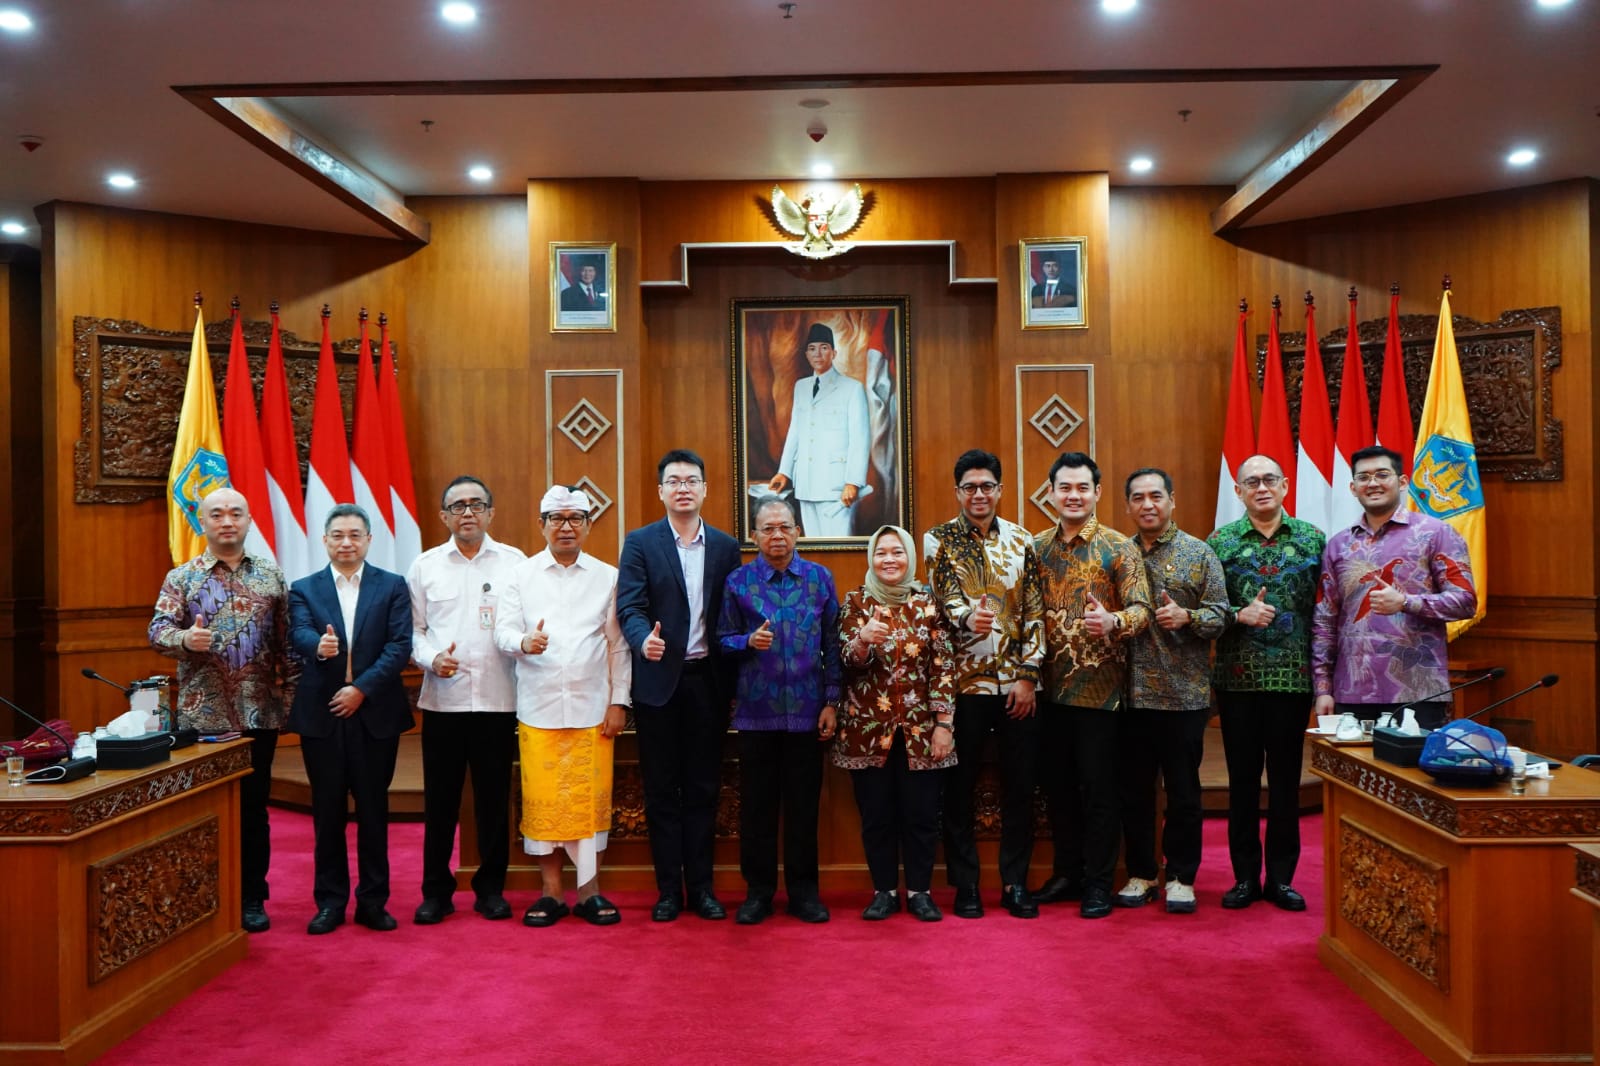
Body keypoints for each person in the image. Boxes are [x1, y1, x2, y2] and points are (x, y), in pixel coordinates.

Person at [150, 487, 297, 934]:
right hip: (203, 718)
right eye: (217, 514)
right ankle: (203, 898)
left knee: (253, 811)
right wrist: (184, 639)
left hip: (258, 715)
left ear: (249, 520)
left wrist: (290, 706)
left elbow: (288, 646)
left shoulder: (271, 576)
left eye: (236, 513)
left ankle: (251, 897)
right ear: (202, 522)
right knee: (203, 811)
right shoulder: (182, 578)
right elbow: (157, 630)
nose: (227, 521)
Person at [495, 486, 630, 928]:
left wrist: (619, 701)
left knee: (590, 803)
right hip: (540, 707)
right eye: (557, 518)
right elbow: (502, 631)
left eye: (575, 518)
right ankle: (551, 891)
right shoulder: (520, 575)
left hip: (593, 708)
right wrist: (523, 642)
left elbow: (618, 645)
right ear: (542, 525)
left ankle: (590, 890)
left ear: (588, 525)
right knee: (544, 803)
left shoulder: (608, 576)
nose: (566, 526)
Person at [616, 449, 742, 922]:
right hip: (658, 685)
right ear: (661, 491)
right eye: (674, 481)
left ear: (705, 489)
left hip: (707, 683)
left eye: (691, 480)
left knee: (704, 788)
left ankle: (703, 889)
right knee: (661, 790)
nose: (683, 488)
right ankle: (669, 890)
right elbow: (629, 606)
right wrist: (640, 641)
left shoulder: (726, 547)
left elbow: (731, 613)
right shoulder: (640, 543)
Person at [1030, 452, 1151, 920]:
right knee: (1057, 789)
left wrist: (1113, 621)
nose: (1074, 495)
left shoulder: (1119, 547)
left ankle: (1099, 882)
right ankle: (1068, 873)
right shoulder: (1036, 548)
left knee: (1099, 791)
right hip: (1047, 690)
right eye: (1065, 487)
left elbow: (1142, 611)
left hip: (1101, 693)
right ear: (1051, 493)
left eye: (1083, 487)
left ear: (1097, 492)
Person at [924, 449, 1044, 920]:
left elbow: (1034, 610)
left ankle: (1015, 884)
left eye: (987, 486)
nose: (979, 494)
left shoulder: (1022, 540)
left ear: (1000, 490)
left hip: (1017, 686)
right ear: (958, 492)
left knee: (1021, 786)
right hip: (963, 687)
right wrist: (966, 617)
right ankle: (966, 885)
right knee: (957, 789)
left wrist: (1028, 675)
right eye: (970, 487)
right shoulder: (938, 540)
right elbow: (944, 601)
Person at [289, 504, 414, 935]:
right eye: (338, 535)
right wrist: (317, 646)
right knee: (327, 813)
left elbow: (399, 645)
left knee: (374, 810)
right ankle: (330, 902)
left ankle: (373, 902)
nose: (346, 543)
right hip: (322, 714)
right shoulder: (304, 588)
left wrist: (360, 689)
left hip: (374, 712)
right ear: (325, 540)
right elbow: (298, 632)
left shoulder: (392, 585)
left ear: (368, 540)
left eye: (355, 535)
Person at [406, 476, 525, 925]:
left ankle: (491, 889)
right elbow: (413, 631)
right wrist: (431, 658)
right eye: (458, 506)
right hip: (444, 702)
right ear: (444, 516)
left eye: (477, 504)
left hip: (499, 700)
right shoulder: (425, 566)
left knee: (495, 801)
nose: (468, 512)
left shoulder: (515, 563)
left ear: (491, 512)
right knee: (440, 802)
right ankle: (436, 892)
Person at [1208, 455, 1324, 912]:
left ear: (1285, 485)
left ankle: (1280, 878)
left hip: (1293, 681)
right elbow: (1206, 612)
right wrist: (1239, 614)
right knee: (1241, 783)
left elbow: (1326, 612)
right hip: (1236, 681)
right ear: (1238, 491)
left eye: (1269, 480)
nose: (1261, 488)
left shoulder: (1313, 539)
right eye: (1251, 481)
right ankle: (1243, 878)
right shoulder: (1219, 543)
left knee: (1285, 783)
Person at [717, 496, 841, 925]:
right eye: (768, 528)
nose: (777, 535)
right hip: (756, 713)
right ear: (754, 536)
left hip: (808, 710)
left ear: (798, 532)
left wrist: (832, 700)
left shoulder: (819, 579)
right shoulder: (738, 581)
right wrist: (747, 641)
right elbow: (721, 639)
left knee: (804, 809)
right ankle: (759, 893)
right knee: (758, 808)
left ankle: (804, 894)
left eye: (785, 527)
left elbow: (833, 642)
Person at [1117, 468, 1227, 915]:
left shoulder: (1199, 553)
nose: (1148, 504)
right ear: (1128, 505)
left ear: (1171, 500)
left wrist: (1189, 617)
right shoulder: (1118, 553)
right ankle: (1142, 873)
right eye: (1138, 497)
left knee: (1183, 793)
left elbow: (1221, 615)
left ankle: (1182, 877)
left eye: (1156, 496)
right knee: (1135, 792)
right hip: (1128, 696)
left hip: (1183, 694)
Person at [836, 525, 956, 922]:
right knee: (877, 817)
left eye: (897, 552)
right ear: (871, 557)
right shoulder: (856, 602)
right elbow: (845, 662)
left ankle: (920, 892)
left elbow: (943, 666)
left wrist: (944, 724)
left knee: (921, 816)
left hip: (922, 731)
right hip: (867, 731)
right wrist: (863, 640)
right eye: (881, 552)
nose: (889, 559)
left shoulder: (928, 604)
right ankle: (884, 892)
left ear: (909, 557)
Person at [1313, 445, 1478, 729]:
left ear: (1402, 482)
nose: (1373, 483)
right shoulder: (1338, 545)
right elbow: (1325, 620)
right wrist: (1323, 687)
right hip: (1351, 690)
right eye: (1364, 477)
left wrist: (1406, 602)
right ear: (1353, 488)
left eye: (1382, 475)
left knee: (1413, 759)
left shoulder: (1436, 533)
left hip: (1418, 689)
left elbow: (1466, 602)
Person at [767, 322, 870, 537]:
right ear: (806, 354)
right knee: (814, 547)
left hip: (837, 487)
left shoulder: (852, 388)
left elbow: (860, 439)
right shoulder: (801, 387)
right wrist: (785, 471)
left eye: (824, 348)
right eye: (812, 349)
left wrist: (853, 482)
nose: (818, 354)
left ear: (834, 353)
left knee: (839, 546)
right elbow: (795, 431)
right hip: (806, 483)